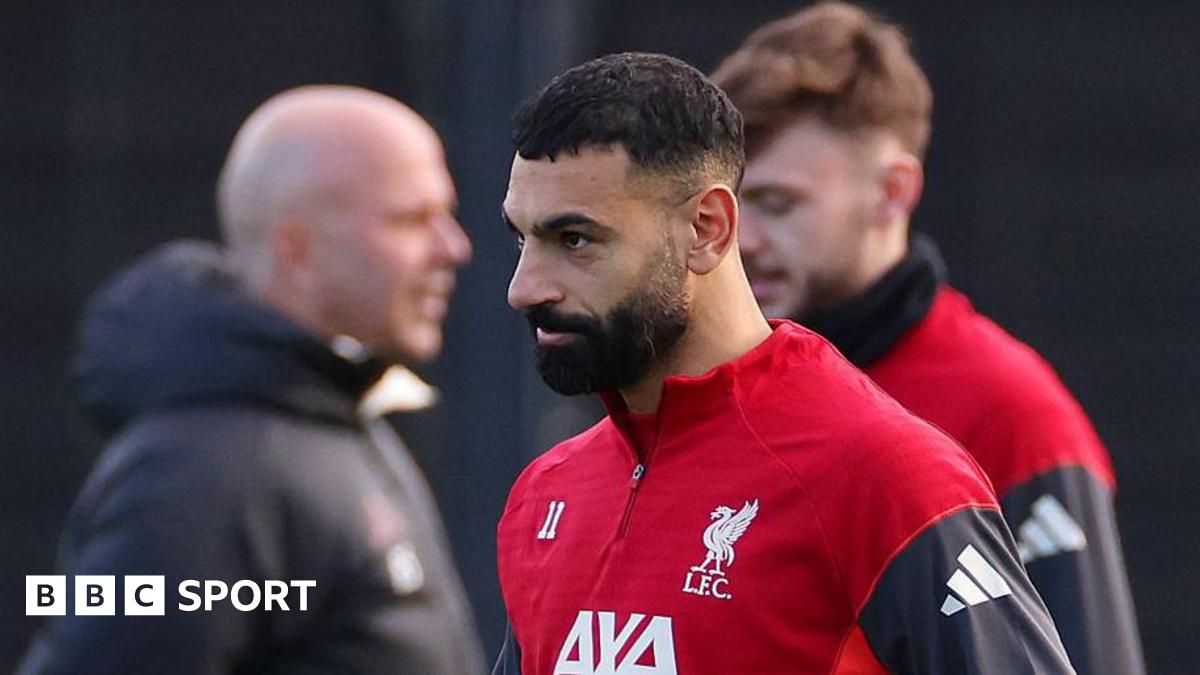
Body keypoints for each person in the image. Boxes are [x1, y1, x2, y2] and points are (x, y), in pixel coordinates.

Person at [496, 52, 1074, 674]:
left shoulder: (887, 476)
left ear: (707, 228)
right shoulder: (546, 492)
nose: (524, 289)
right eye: (522, 239)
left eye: (575, 240)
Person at [712, 4, 1144, 673]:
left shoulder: (1010, 412)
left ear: (892, 193)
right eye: (730, 204)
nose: (743, 240)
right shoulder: (710, 388)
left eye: (778, 203)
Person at [19, 86, 485, 674]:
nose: (453, 247)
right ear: (298, 250)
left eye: (446, 214)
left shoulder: (326, 417)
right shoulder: (199, 475)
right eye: (411, 219)